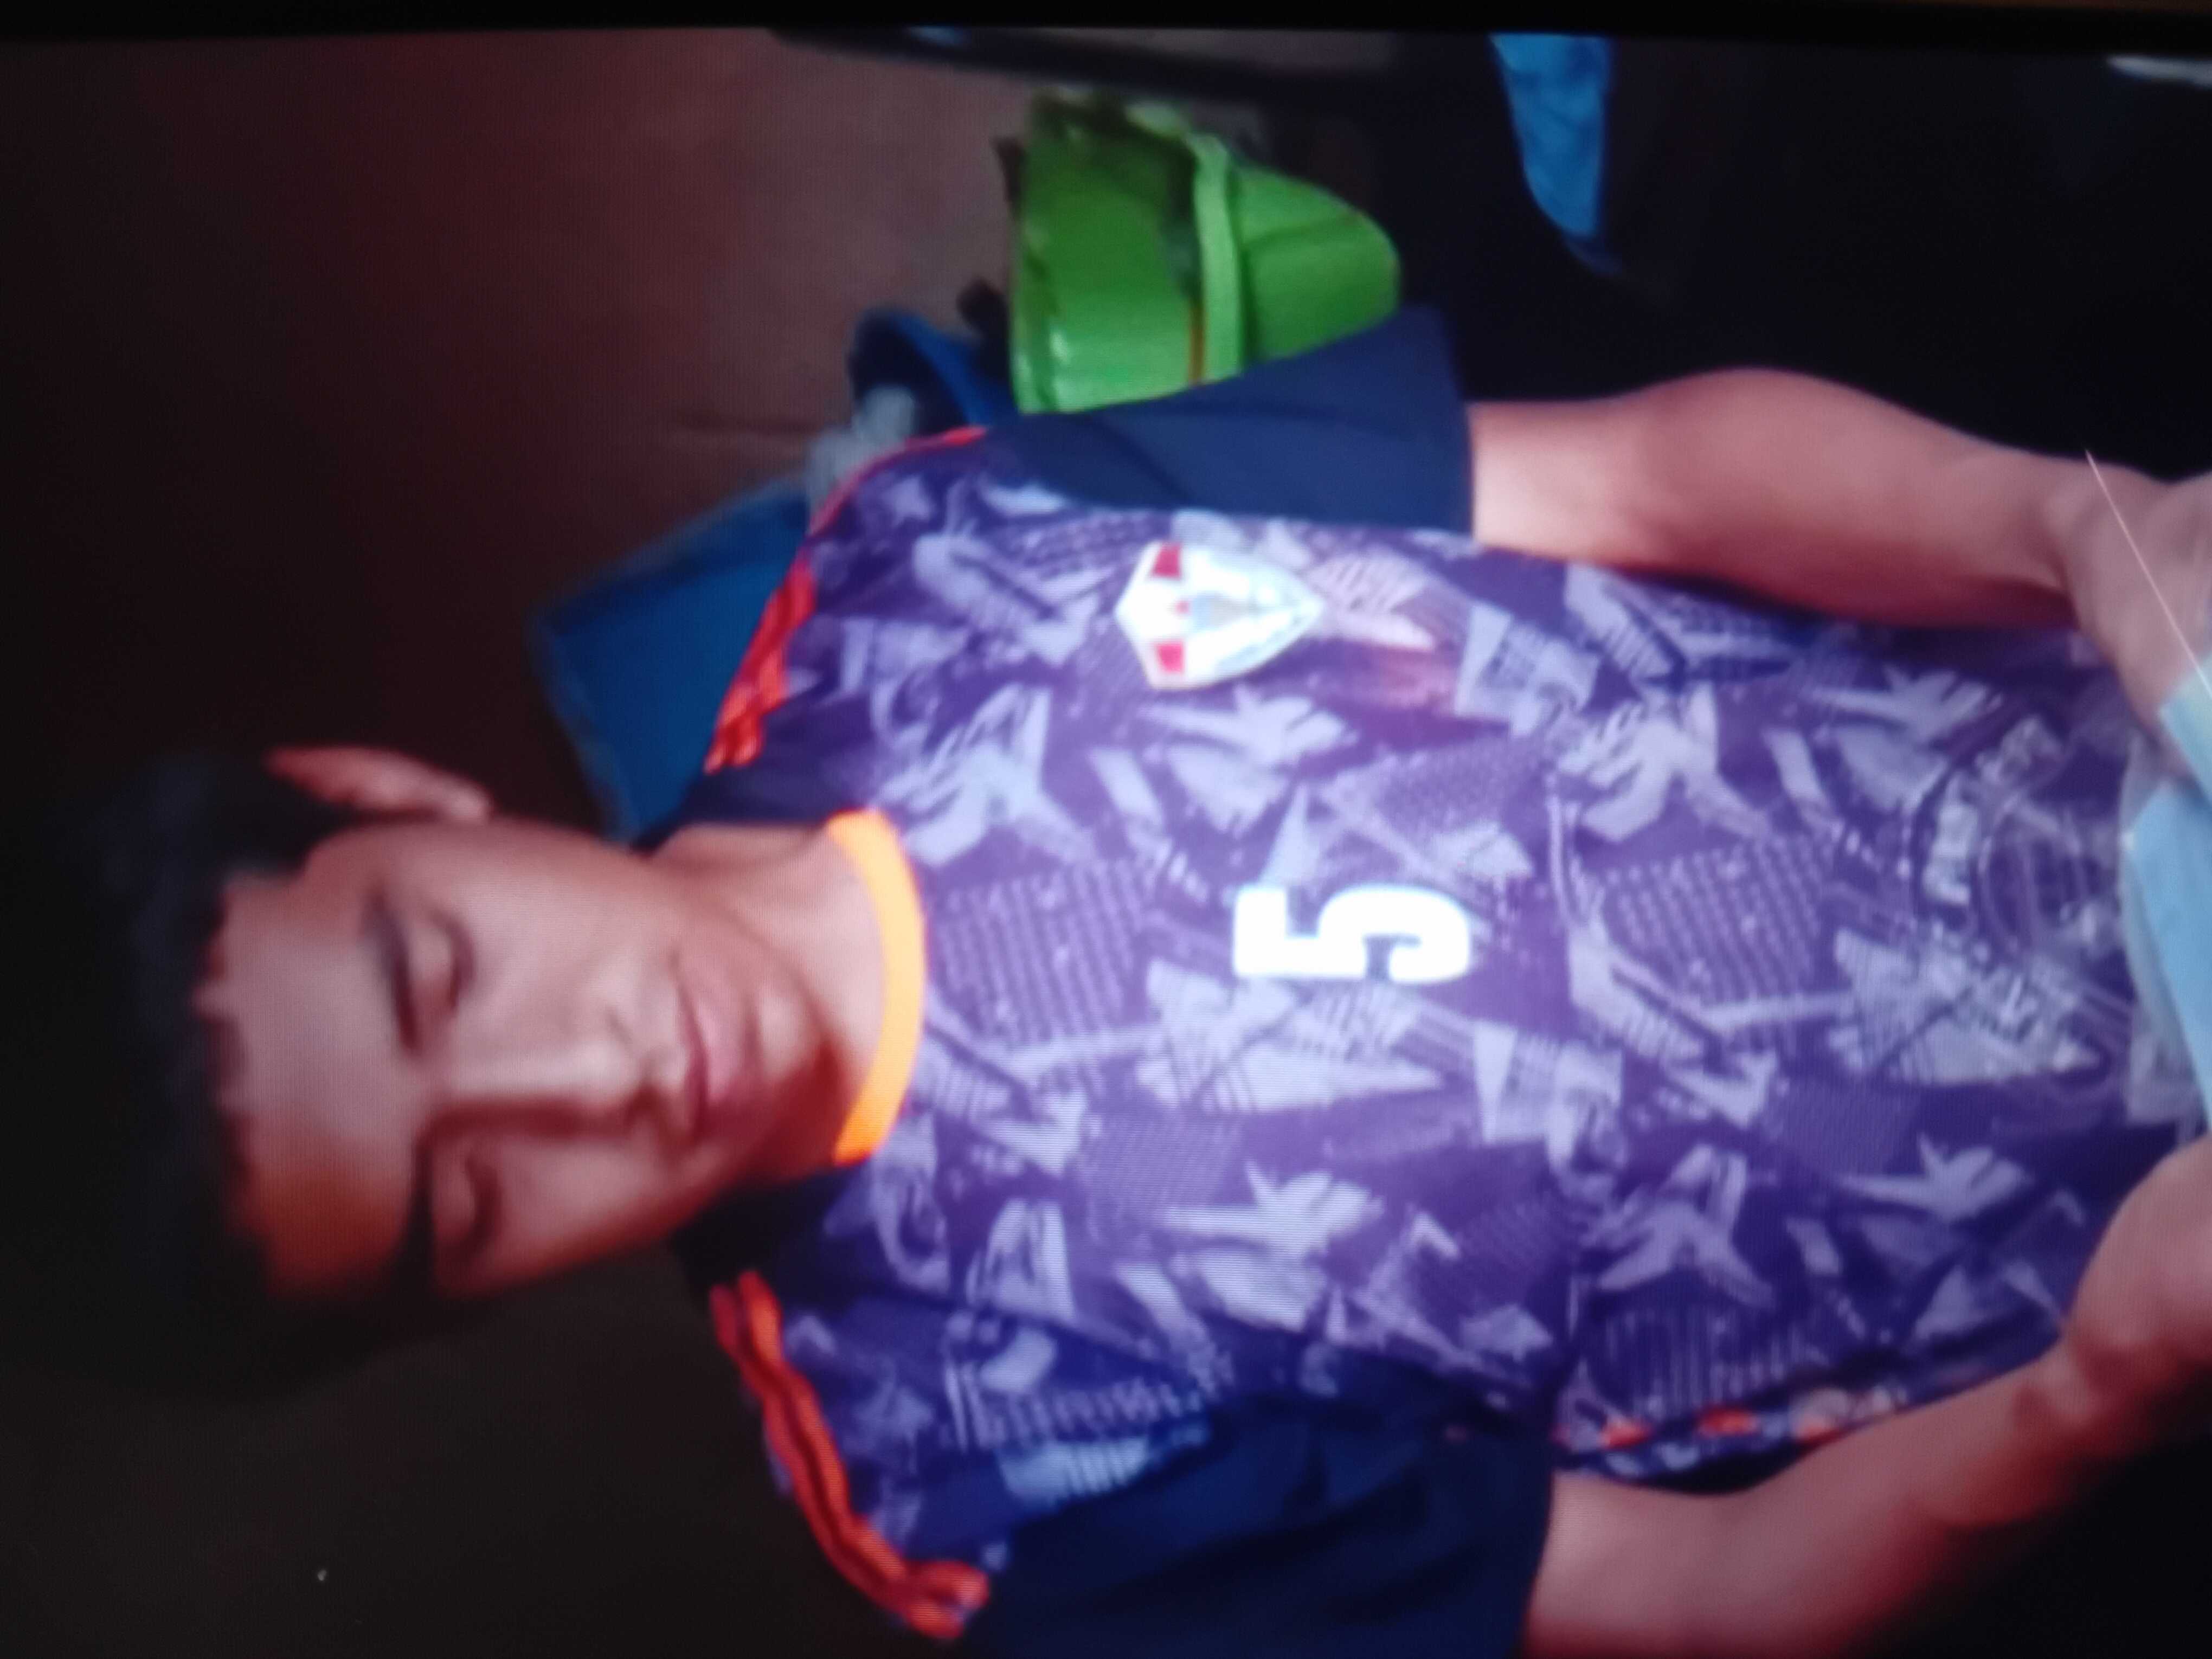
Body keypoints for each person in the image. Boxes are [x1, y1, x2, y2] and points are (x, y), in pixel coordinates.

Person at [14, 310, 2212, 1659]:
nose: (590, 1080)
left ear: (384, 793)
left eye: (442, 980)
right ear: (457, 1311)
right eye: (469, 1201)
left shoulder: (935, 563)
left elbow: (1644, 477)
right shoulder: (962, 1488)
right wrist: (2100, 1393)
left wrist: (2076, 531)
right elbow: (1706, 1600)